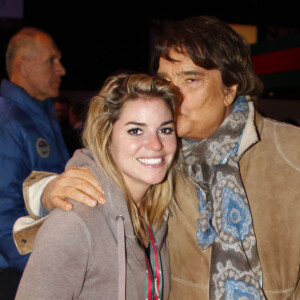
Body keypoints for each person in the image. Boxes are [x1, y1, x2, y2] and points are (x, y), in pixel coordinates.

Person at [14, 16, 300, 299]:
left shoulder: (290, 151)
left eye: (191, 79)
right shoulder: (162, 157)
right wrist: (48, 190)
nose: (173, 94)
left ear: (230, 89)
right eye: (165, 80)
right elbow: (104, 159)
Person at [15, 73, 180, 299]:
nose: (156, 144)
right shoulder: (75, 222)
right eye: (135, 131)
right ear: (107, 136)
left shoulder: (157, 215)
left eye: (165, 129)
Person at [0, 27, 69, 297]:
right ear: (22, 66)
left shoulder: (38, 113)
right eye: (51, 60)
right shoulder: (8, 120)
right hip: (16, 272)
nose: (61, 69)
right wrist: (40, 272)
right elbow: (2, 211)